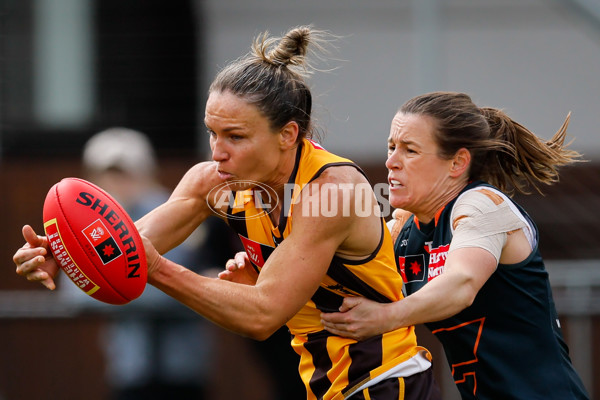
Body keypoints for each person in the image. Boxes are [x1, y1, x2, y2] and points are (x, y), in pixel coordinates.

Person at [13, 27, 440, 400]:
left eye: (235, 136)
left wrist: (157, 269)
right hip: (325, 383)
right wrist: (69, 253)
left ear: (288, 134)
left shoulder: (330, 192)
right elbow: (128, 242)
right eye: (212, 133)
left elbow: (262, 313)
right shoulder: (215, 182)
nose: (217, 153)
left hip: (386, 382)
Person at [320, 92, 590, 399]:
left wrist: (385, 317)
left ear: (458, 163)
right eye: (391, 147)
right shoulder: (403, 230)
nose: (391, 162)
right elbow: (341, 268)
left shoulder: (481, 205)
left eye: (410, 151)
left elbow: (461, 284)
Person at [60, 127, 240, 400]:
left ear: (146, 172)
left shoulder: (178, 213)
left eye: (125, 172)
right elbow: (75, 294)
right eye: (107, 173)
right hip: (129, 368)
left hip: (185, 369)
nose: (116, 182)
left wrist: (111, 286)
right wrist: (165, 285)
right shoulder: (89, 227)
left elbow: (194, 285)